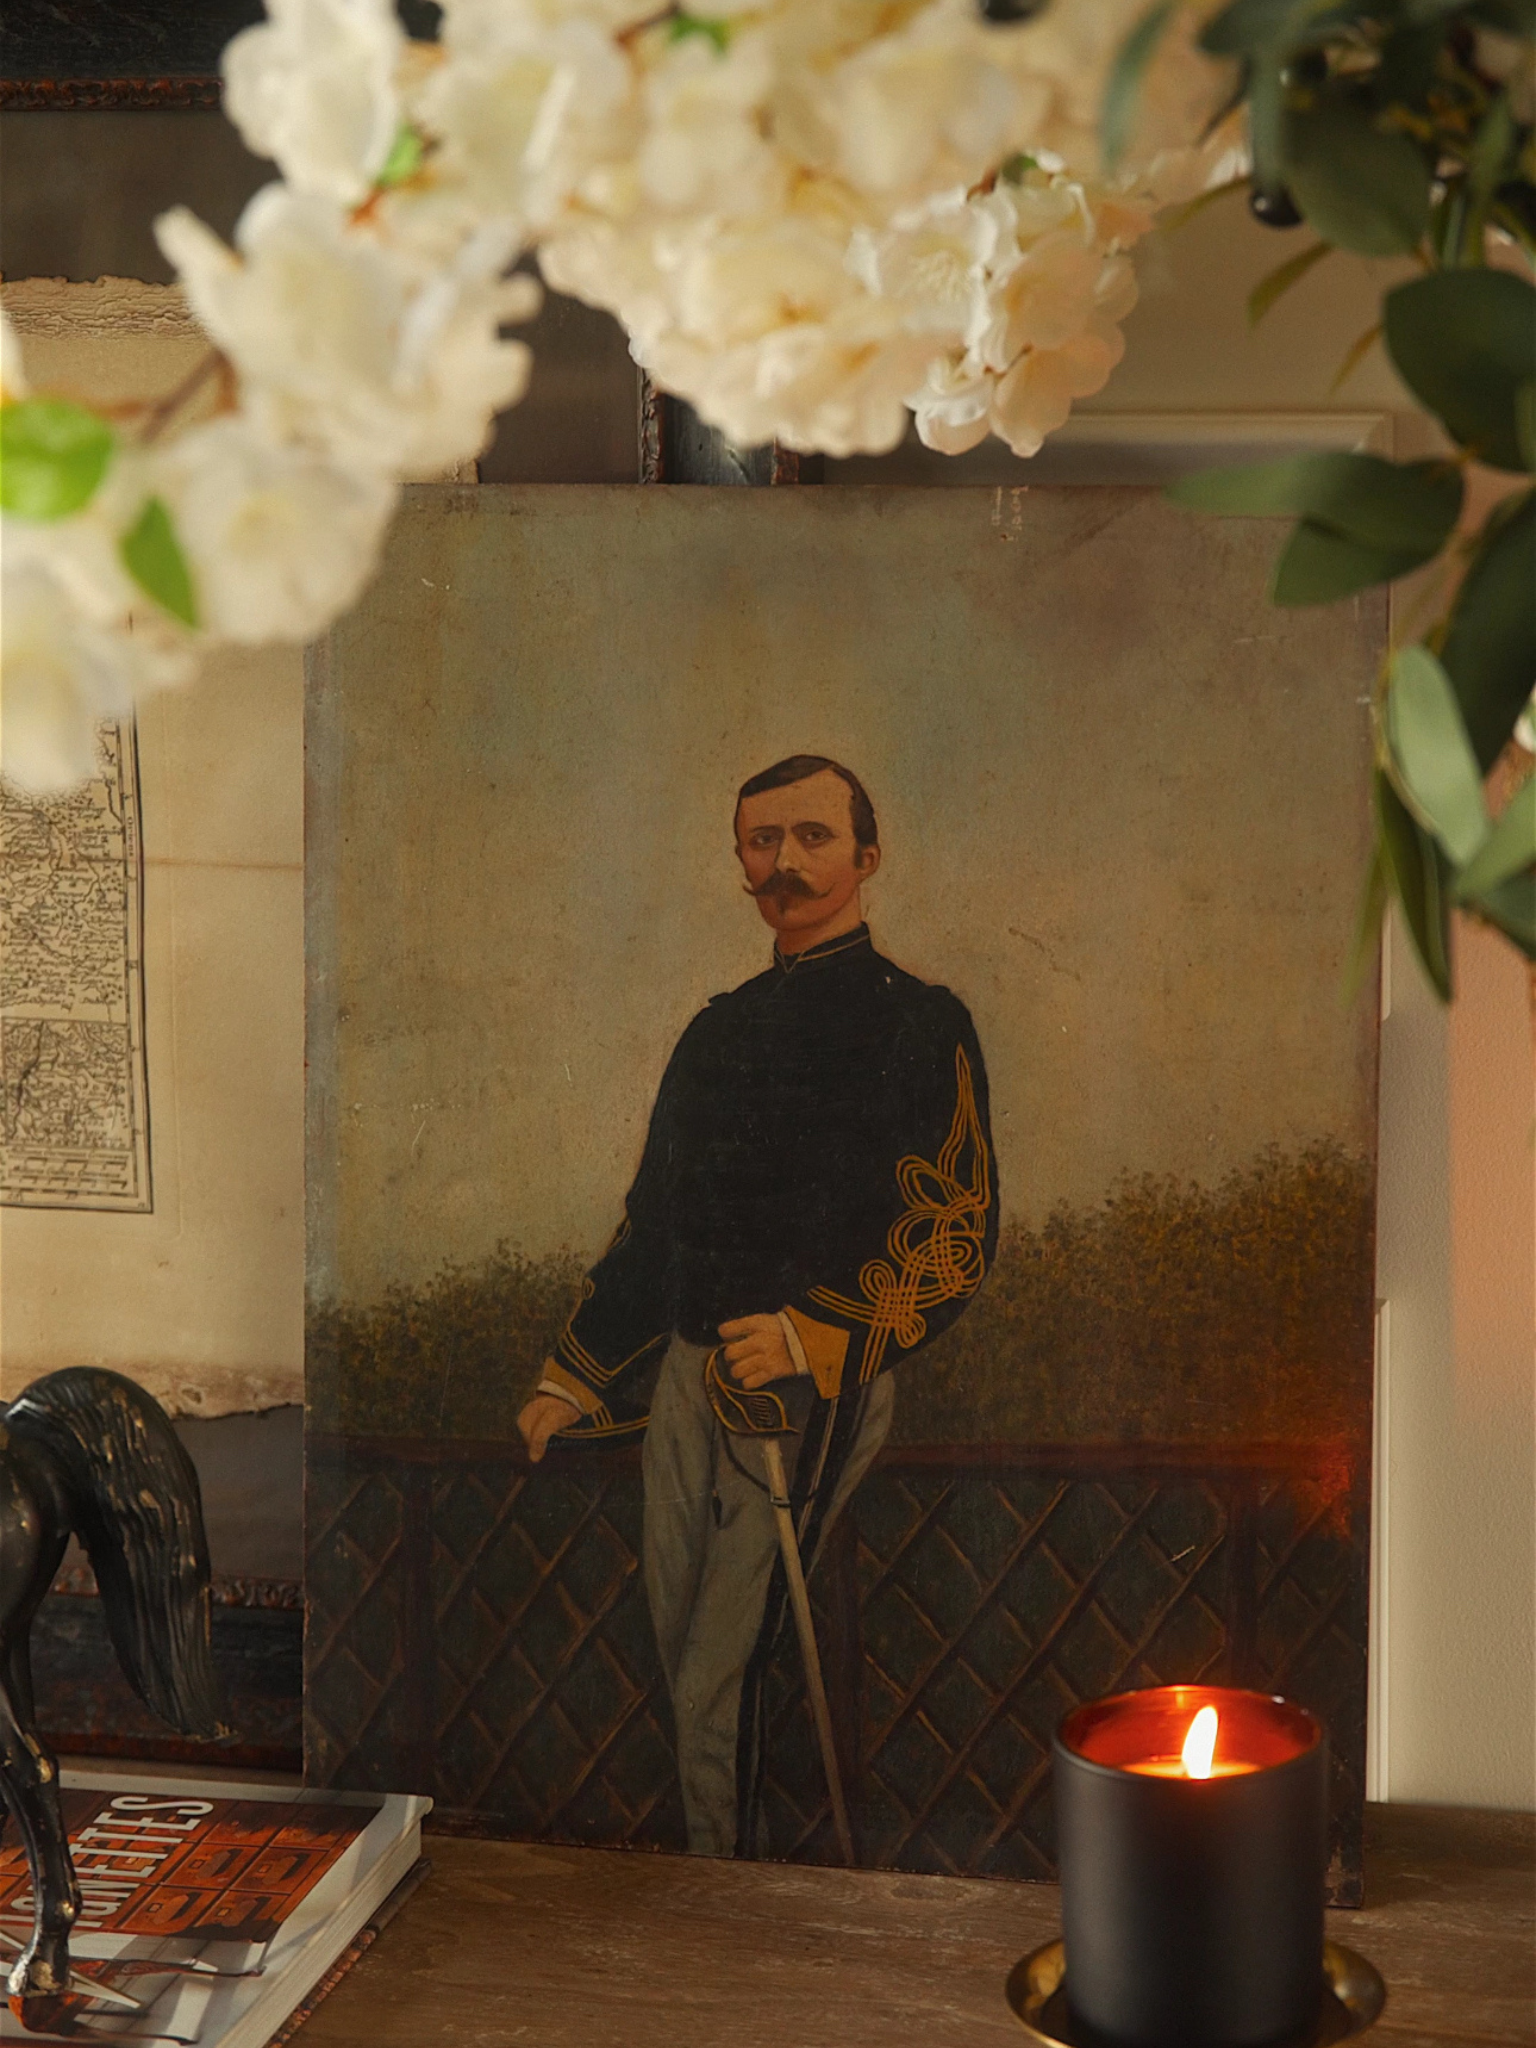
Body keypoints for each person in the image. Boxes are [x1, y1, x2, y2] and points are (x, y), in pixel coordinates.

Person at [516, 754, 997, 1856]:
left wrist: (811, 1333)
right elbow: (652, 1225)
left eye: (813, 836)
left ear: (867, 856)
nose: (785, 862)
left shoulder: (919, 1022)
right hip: (688, 1381)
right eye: (761, 840)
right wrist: (570, 1372)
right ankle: (713, 1879)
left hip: (806, 1383)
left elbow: (955, 1231)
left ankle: (731, 1905)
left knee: (720, 1671)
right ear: (741, 863)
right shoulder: (715, 1032)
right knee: (676, 1645)